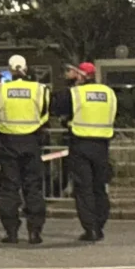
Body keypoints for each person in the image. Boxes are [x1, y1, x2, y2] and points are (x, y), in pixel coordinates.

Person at [51, 62, 116, 241]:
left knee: (83, 188)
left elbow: (58, 107)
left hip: (81, 144)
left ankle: (90, 228)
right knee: (99, 187)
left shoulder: (76, 93)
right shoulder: (108, 92)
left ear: (81, 76)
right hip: (102, 145)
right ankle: (99, 225)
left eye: (73, 73)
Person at [0, 55, 50, 244]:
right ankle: (35, 232)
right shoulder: (40, 89)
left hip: (8, 142)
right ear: (26, 68)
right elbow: (44, 114)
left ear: (9, 70)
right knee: (33, 188)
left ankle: (11, 233)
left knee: (9, 188)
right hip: (31, 141)